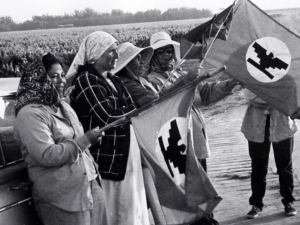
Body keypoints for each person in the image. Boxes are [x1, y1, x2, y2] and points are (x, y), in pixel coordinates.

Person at [14, 53, 107, 225]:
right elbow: (47, 154)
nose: (61, 81)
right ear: (38, 81)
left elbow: (78, 139)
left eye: (62, 75)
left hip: (89, 185)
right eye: (53, 77)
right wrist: (85, 140)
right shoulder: (30, 114)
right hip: (61, 198)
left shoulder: (63, 105)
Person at [66, 31, 149, 225]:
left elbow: (127, 110)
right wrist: (138, 107)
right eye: (111, 52)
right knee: (118, 211)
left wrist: (134, 108)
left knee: (132, 208)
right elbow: (107, 116)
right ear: (96, 54)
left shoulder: (113, 79)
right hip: (110, 159)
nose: (117, 56)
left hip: (128, 154)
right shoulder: (86, 79)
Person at [146, 31, 239, 172]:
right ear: (153, 56)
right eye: (161, 52)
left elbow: (205, 93)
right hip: (176, 140)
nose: (166, 55)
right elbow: (161, 102)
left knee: (202, 180)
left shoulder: (179, 73)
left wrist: (229, 84)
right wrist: (186, 80)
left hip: (195, 135)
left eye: (169, 51)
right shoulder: (151, 80)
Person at [242, 89, 297, 219]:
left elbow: (291, 97)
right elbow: (251, 98)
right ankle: (256, 204)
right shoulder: (252, 77)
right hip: (257, 126)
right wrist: (277, 99)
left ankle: (288, 201)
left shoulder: (283, 78)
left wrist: (270, 98)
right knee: (258, 167)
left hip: (282, 126)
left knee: (285, 166)